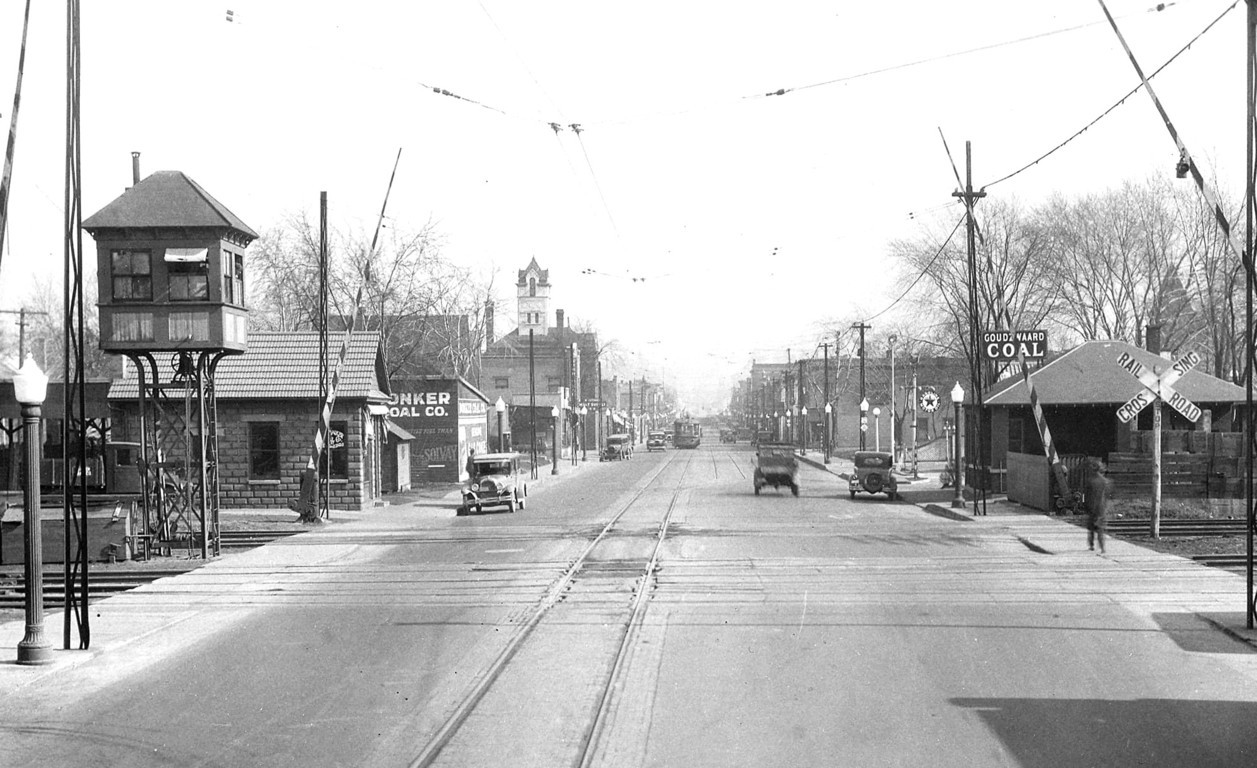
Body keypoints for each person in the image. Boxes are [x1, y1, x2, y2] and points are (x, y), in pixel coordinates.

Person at [1084, 457, 1111, 553]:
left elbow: (1086, 495)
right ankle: (1102, 547)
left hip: (1092, 507)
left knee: (1091, 528)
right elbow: (1107, 496)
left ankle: (1091, 545)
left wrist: (1085, 506)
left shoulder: (1090, 481)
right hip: (1101, 508)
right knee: (1100, 529)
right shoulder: (1105, 481)